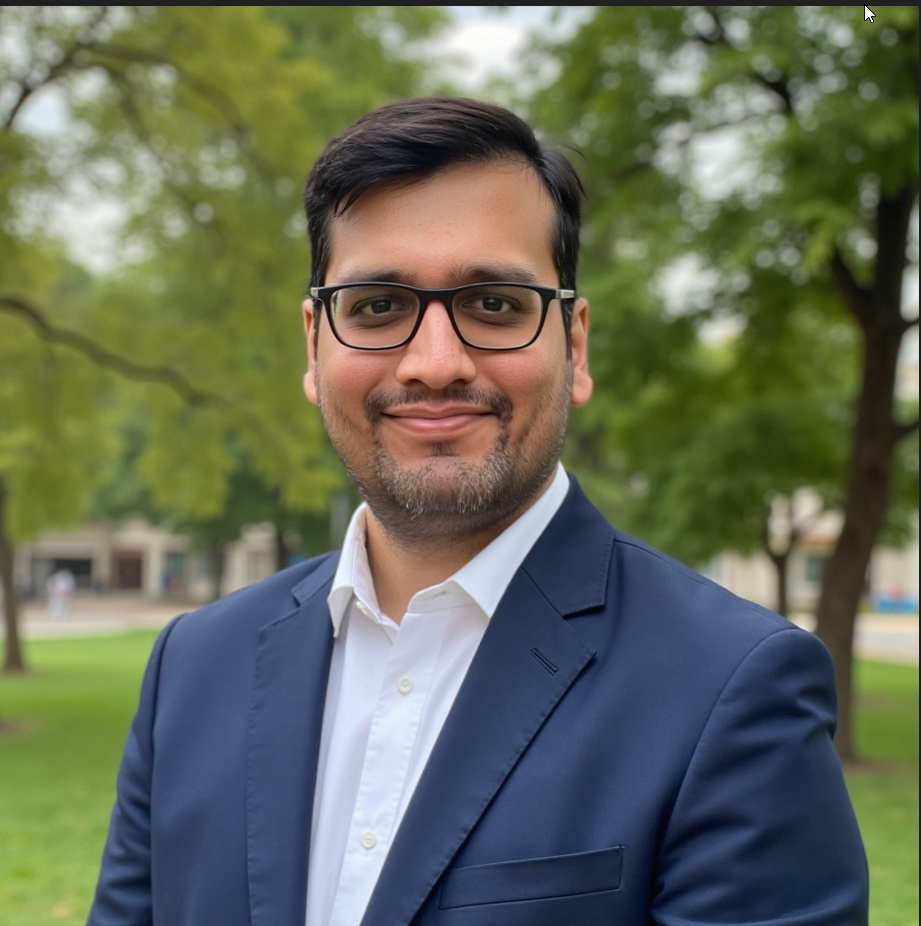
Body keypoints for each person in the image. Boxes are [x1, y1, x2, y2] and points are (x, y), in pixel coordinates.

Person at [87, 97, 868, 926]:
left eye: (494, 304)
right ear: (314, 344)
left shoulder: (731, 687)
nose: (434, 364)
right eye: (377, 306)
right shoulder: (193, 668)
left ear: (574, 345)